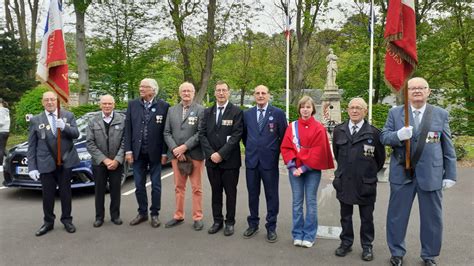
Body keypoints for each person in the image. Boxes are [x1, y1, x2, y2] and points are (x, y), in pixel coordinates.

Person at [380, 77, 457, 266]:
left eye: (421, 88)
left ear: (428, 91)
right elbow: (384, 136)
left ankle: (429, 255)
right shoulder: (396, 113)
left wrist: (450, 175)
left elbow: (448, 147)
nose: (417, 91)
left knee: (432, 218)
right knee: (397, 216)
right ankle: (397, 252)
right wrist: (398, 135)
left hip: (431, 174)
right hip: (402, 173)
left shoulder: (440, 114)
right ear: (407, 92)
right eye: (412, 88)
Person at [332, 97, 385, 261]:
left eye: (358, 108)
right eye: (352, 107)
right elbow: (336, 153)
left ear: (365, 111)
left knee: (367, 218)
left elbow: (380, 159)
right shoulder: (339, 130)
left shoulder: (374, 133)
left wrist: (366, 173)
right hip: (345, 181)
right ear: (347, 110)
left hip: (365, 183)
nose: (354, 110)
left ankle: (367, 246)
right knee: (345, 216)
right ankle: (346, 243)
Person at [280, 96, 334, 248]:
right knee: (297, 203)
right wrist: (292, 167)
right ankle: (297, 234)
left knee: (310, 203)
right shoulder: (292, 127)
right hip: (294, 170)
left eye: (308, 107)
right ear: (299, 108)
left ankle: (309, 235)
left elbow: (319, 152)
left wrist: (303, 168)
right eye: (303, 106)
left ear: (313, 109)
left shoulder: (319, 128)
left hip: (311, 171)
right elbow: (286, 147)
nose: (305, 109)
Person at [27, 91, 80, 236]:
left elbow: (76, 134)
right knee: (48, 195)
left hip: (65, 161)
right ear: (42, 102)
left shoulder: (68, 116)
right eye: (47, 100)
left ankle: (67, 220)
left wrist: (64, 127)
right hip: (45, 162)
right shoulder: (36, 120)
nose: (50, 102)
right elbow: (31, 146)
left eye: (52, 99)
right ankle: (48, 222)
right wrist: (32, 167)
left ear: (57, 101)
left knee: (66, 193)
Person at [242, 85, 287, 243]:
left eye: (263, 93)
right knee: (253, 195)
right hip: (252, 162)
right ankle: (253, 224)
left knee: (271, 195)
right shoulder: (247, 114)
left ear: (269, 95)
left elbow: (284, 138)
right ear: (254, 96)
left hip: (269, 162)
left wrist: (274, 152)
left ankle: (271, 227)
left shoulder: (278, 114)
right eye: (258, 93)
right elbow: (244, 137)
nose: (260, 95)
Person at [199, 81, 243, 236]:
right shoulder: (207, 112)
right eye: (218, 90)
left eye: (224, 90)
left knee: (231, 193)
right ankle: (217, 220)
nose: (221, 93)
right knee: (215, 192)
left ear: (229, 92)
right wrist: (212, 154)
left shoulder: (236, 112)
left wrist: (221, 154)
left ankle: (230, 222)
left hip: (230, 161)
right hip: (212, 161)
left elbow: (236, 136)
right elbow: (202, 134)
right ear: (215, 92)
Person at [125, 78, 170, 228]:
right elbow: (128, 129)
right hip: (138, 153)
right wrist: (128, 151)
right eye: (140, 86)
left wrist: (165, 153)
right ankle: (142, 212)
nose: (141, 89)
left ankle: (155, 213)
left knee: (156, 185)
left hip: (156, 153)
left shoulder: (164, 106)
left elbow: (166, 132)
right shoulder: (132, 105)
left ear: (153, 90)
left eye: (145, 87)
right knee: (139, 185)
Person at [164, 82, 205, 231]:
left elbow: (200, 133)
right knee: (178, 187)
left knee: (196, 188)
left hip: (194, 154)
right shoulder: (171, 110)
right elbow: (166, 132)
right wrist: (175, 149)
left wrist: (184, 147)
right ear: (180, 93)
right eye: (184, 91)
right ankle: (178, 215)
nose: (186, 93)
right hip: (176, 156)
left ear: (193, 93)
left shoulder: (201, 110)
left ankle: (197, 217)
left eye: (189, 91)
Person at [86, 95, 126, 227]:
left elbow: (125, 142)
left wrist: (117, 160)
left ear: (114, 105)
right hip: (99, 163)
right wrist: (105, 160)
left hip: (117, 162)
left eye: (109, 103)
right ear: (100, 105)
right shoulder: (93, 121)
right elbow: (90, 143)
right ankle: (99, 217)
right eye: (104, 104)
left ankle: (115, 216)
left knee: (115, 190)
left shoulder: (122, 120)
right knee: (99, 191)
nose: (107, 106)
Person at [0, 98, 10, 170]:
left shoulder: (1, 110)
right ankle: (11, 157)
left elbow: (1, 122)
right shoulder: (6, 111)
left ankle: (0, 165)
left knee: (1, 149)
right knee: (3, 148)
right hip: (6, 131)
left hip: (1, 131)